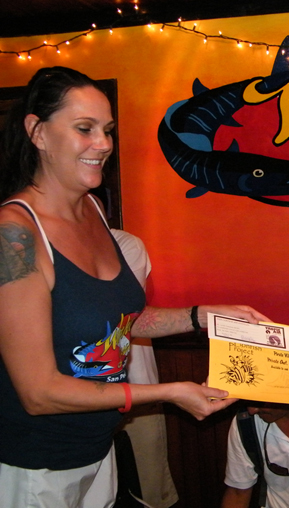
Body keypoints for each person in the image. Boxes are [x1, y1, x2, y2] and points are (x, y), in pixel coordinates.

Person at [0, 66, 268, 508]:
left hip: (98, 449)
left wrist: (202, 316)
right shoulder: (16, 233)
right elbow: (39, 393)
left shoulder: (92, 208)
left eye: (107, 130)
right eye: (84, 129)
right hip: (36, 468)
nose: (104, 144)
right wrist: (167, 393)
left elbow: (118, 322)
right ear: (38, 132)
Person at [112, 229, 179, 508]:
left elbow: (122, 314)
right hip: (73, 398)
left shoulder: (123, 243)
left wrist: (201, 316)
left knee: (147, 490)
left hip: (137, 394)